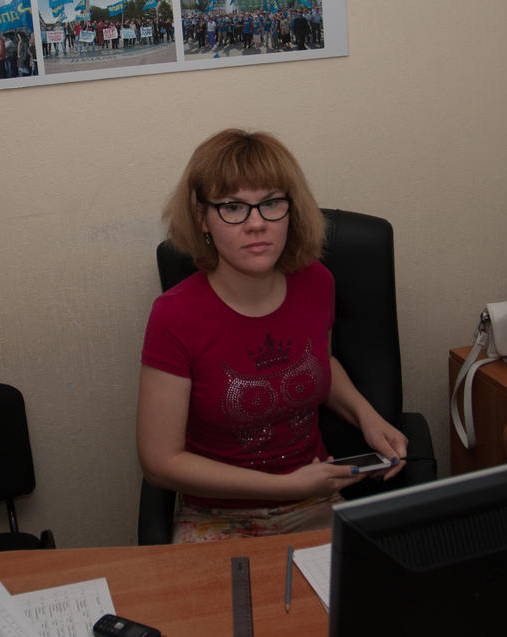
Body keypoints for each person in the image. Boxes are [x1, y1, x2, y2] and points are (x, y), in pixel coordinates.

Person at [137, 129, 408, 543]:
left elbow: (317, 359)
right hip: (218, 515)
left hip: (313, 502)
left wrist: (367, 417)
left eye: (271, 203)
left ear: (291, 210)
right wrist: (285, 486)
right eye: (233, 207)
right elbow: (160, 462)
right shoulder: (173, 315)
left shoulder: (317, 282)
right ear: (201, 218)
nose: (257, 223)